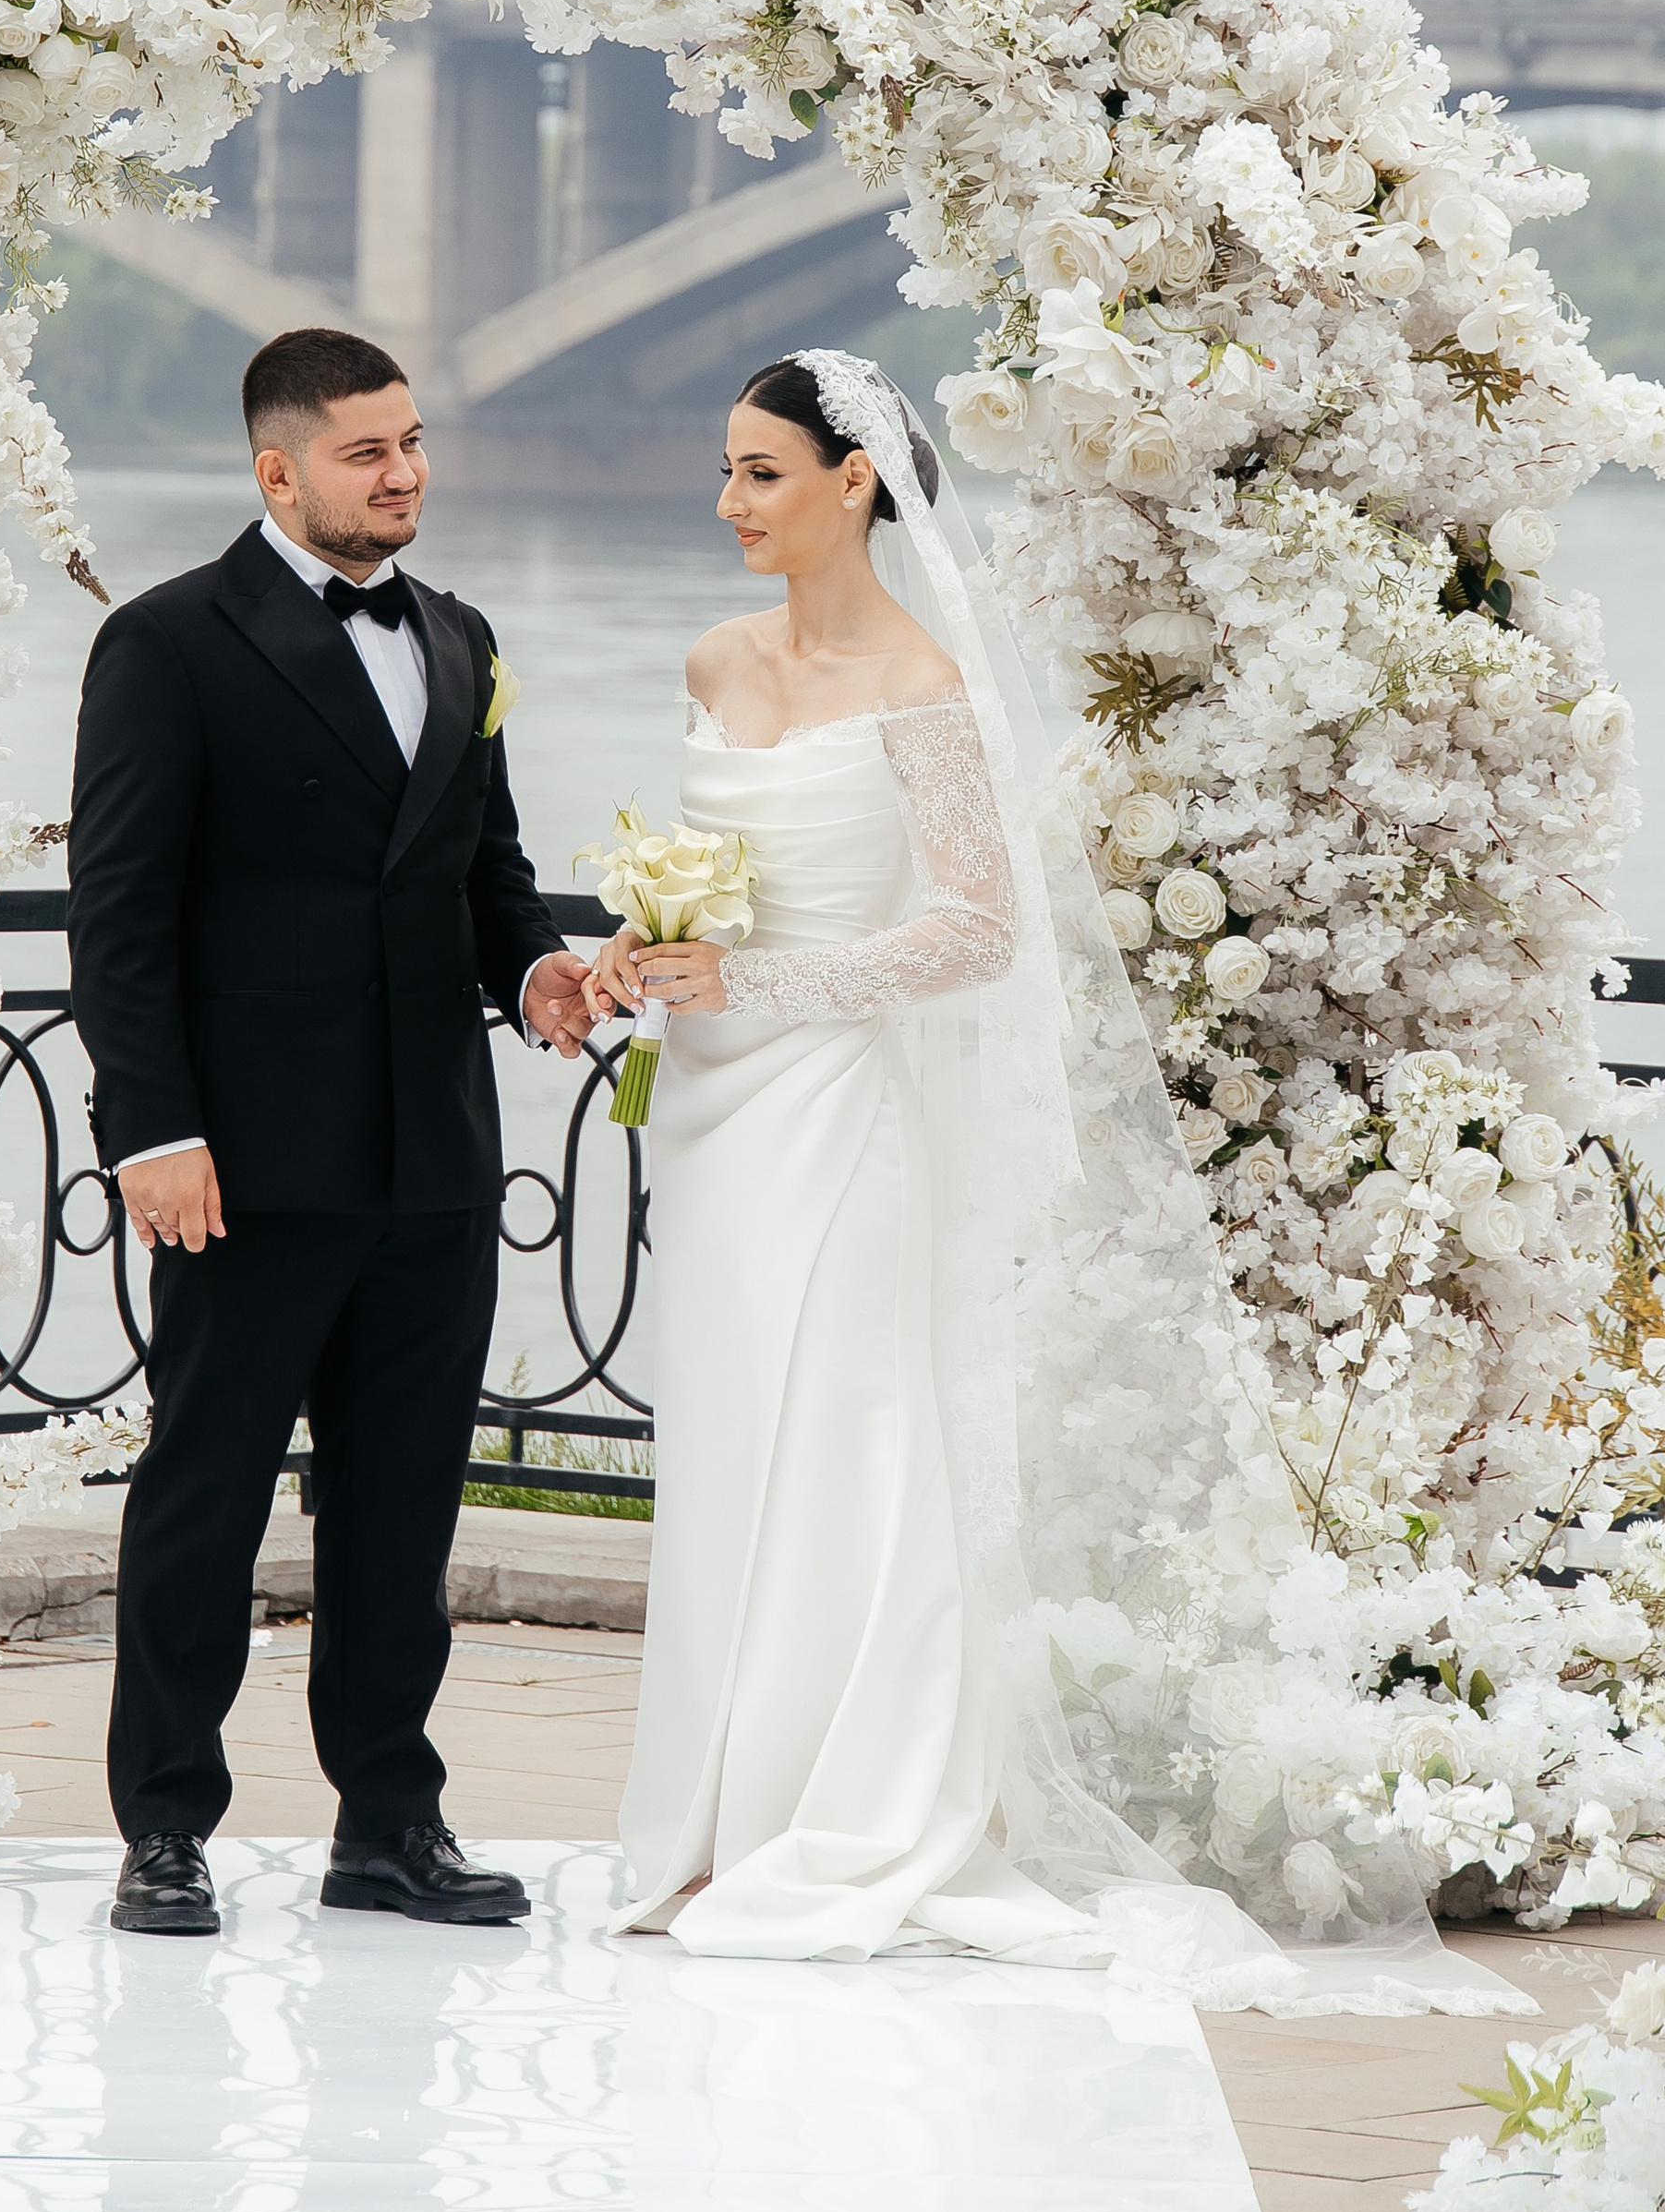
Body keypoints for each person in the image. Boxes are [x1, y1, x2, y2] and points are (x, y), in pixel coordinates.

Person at [584, 350, 1524, 2009]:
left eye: (759, 474)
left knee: (849, 1441)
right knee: (733, 1437)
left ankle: (848, 1810)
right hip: (715, 1114)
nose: (727, 504)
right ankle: (719, 1815)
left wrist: (768, 989)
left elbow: (977, 929)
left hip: (837, 1107)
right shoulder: (714, 661)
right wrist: (648, 953)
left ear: (854, 482)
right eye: (725, 474)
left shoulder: (926, 684)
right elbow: (721, 891)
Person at [67, 324, 596, 1940]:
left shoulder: (459, 634)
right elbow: (122, 912)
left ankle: (390, 1823)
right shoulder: (166, 643)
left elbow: (483, 872)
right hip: (241, 1164)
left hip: (433, 1155)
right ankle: (165, 1827)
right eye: (368, 452)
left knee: (402, 1508)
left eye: (414, 442)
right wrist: (153, 1129)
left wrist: (539, 971)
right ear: (275, 468)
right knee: (204, 1499)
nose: (406, 473)